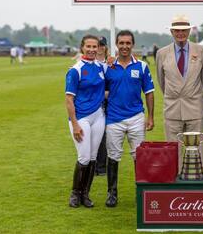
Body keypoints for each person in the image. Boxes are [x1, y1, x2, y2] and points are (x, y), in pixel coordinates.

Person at [104, 30, 154, 207]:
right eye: (121, 43)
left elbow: (149, 92)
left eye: (128, 43)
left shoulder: (141, 66)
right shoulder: (108, 67)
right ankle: (112, 193)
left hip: (136, 117)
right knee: (113, 156)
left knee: (139, 156)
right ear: (116, 45)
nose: (124, 46)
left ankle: (141, 192)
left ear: (133, 44)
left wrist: (150, 117)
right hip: (113, 118)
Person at [156, 15, 203, 171]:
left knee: (196, 149)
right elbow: (161, 81)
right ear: (172, 31)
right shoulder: (162, 53)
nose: (181, 34)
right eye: (177, 31)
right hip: (172, 109)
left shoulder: (201, 51)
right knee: (173, 149)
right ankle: (174, 181)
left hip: (195, 107)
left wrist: (192, 94)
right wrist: (174, 95)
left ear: (189, 31)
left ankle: (196, 179)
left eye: (184, 30)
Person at [65, 35, 106, 208]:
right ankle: (75, 194)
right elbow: (68, 100)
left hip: (98, 116)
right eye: (88, 46)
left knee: (93, 157)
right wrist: (74, 124)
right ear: (82, 47)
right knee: (83, 156)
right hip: (81, 117)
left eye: (94, 46)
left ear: (99, 48)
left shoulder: (101, 67)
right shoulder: (76, 70)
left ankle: (85, 195)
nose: (91, 49)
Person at [95, 36, 110, 176]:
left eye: (102, 45)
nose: (99, 48)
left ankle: (101, 167)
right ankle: (93, 166)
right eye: (97, 45)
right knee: (92, 135)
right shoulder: (89, 64)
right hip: (92, 105)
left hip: (106, 104)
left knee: (103, 136)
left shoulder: (110, 64)